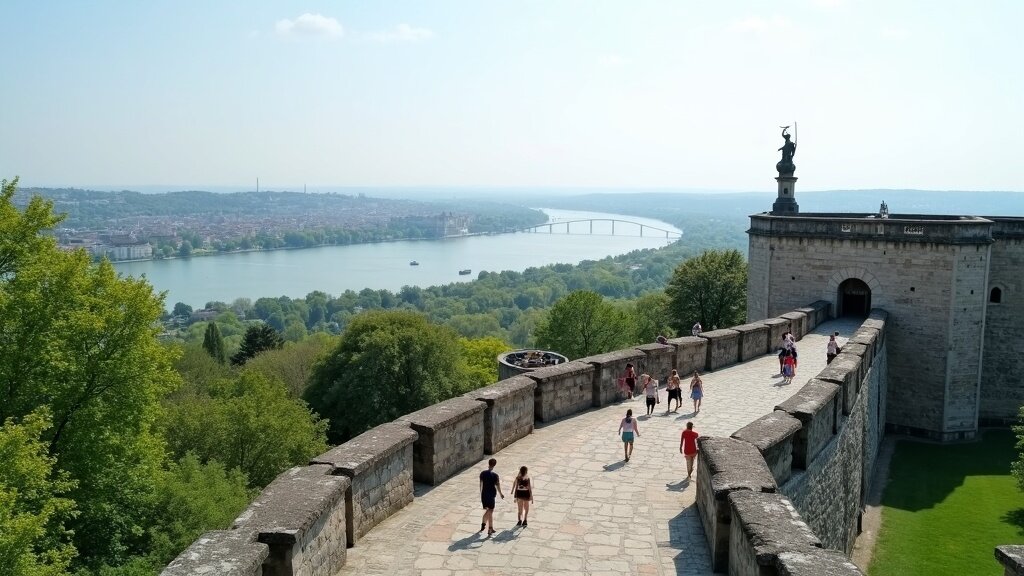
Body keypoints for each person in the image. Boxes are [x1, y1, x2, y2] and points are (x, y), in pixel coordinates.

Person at [479, 458, 505, 536]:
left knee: (489, 510)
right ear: (494, 465)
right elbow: (498, 486)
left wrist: (481, 494)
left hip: (484, 494)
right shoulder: (495, 475)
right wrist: (501, 494)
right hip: (491, 494)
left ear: (488, 463)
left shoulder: (482, 473)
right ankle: (489, 528)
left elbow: (481, 484)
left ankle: (484, 524)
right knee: (490, 511)